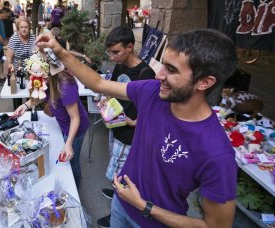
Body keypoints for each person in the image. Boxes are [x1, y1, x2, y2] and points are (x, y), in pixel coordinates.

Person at [36, 28, 238, 227]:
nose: (159, 75)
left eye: (172, 70)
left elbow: (216, 225)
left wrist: (144, 206)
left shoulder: (216, 152)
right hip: (120, 205)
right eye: (163, 66)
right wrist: (60, 52)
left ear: (204, 82)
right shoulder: (152, 92)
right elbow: (98, 83)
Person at [96, 26, 156, 228]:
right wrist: (106, 103)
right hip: (116, 126)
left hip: (130, 135)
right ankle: (117, 200)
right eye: (110, 52)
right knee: (116, 171)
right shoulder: (120, 65)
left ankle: (116, 214)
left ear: (130, 47)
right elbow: (112, 89)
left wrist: (133, 122)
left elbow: (152, 112)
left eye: (116, 52)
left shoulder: (146, 73)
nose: (112, 57)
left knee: (121, 178)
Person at [14, 69, 90, 186]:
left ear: (50, 73)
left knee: (72, 163)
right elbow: (41, 96)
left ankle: (75, 189)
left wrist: (68, 144)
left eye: (40, 78)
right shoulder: (48, 81)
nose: (37, 82)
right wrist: (25, 105)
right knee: (64, 160)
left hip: (76, 129)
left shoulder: (65, 86)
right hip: (64, 124)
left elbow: (75, 118)